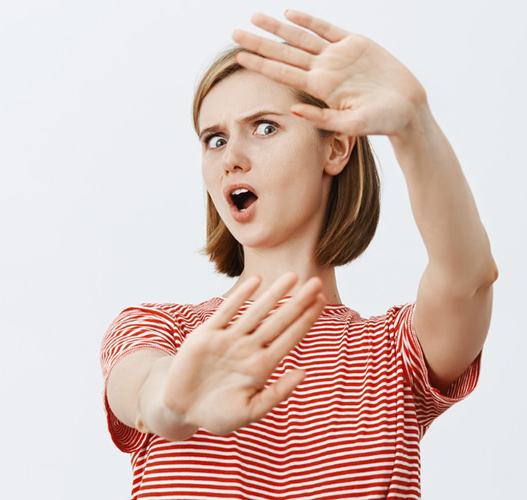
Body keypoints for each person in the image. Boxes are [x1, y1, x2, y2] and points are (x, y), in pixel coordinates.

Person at [99, 10, 496, 499]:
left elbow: (469, 279)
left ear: (336, 149)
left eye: (264, 127)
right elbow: (141, 390)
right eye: (215, 139)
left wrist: (415, 126)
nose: (231, 158)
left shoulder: (394, 356)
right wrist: (171, 398)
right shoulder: (163, 330)